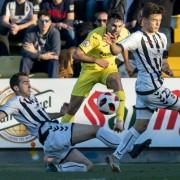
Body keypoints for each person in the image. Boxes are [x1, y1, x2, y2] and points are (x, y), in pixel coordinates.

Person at [0, 72, 150, 172]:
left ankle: (56, 168)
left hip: (50, 140)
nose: (29, 85)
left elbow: (44, 116)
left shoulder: (31, 98)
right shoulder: (15, 101)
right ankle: (130, 149)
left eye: (29, 82)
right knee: (96, 130)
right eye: (25, 82)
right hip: (52, 134)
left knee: (88, 166)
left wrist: (60, 113)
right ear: (15, 87)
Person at [103, 2, 180, 172]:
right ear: (142, 20)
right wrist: (111, 43)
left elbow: (163, 60)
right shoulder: (137, 37)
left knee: (140, 126)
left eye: (159, 20)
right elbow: (117, 50)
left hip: (144, 90)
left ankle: (116, 157)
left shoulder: (162, 37)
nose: (157, 23)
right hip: (152, 89)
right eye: (153, 20)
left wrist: (166, 68)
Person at [61, 13, 133, 132]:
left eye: (119, 26)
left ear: (123, 25)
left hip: (108, 68)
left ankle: (119, 121)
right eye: (113, 25)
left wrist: (126, 63)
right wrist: (96, 60)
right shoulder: (95, 35)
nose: (116, 29)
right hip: (89, 71)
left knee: (116, 80)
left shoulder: (125, 33)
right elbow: (77, 54)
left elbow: (124, 46)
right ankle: (62, 133)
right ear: (107, 24)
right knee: (72, 109)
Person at [20, 11, 60, 78]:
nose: (44, 24)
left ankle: (53, 85)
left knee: (54, 62)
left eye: (46, 21)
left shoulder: (55, 33)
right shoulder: (30, 31)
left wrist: (35, 51)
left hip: (47, 63)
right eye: (41, 21)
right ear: (37, 22)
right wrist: (41, 56)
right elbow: (24, 51)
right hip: (34, 62)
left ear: (50, 22)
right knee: (25, 60)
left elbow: (55, 54)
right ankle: (22, 82)